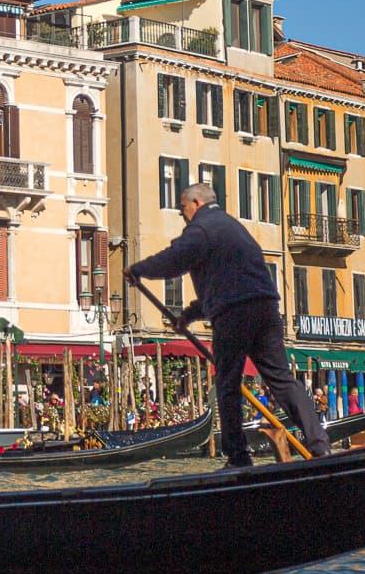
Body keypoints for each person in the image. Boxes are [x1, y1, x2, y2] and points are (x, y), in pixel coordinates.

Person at [127, 181, 328, 467]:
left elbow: (176, 259)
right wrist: (190, 314)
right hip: (266, 308)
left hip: (235, 314)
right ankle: (320, 446)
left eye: (183, 208)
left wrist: (138, 270)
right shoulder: (235, 229)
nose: (182, 214)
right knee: (282, 380)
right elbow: (228, 280)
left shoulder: (202, 229)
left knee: (227, 382)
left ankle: (238, 457)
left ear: (196, 203)